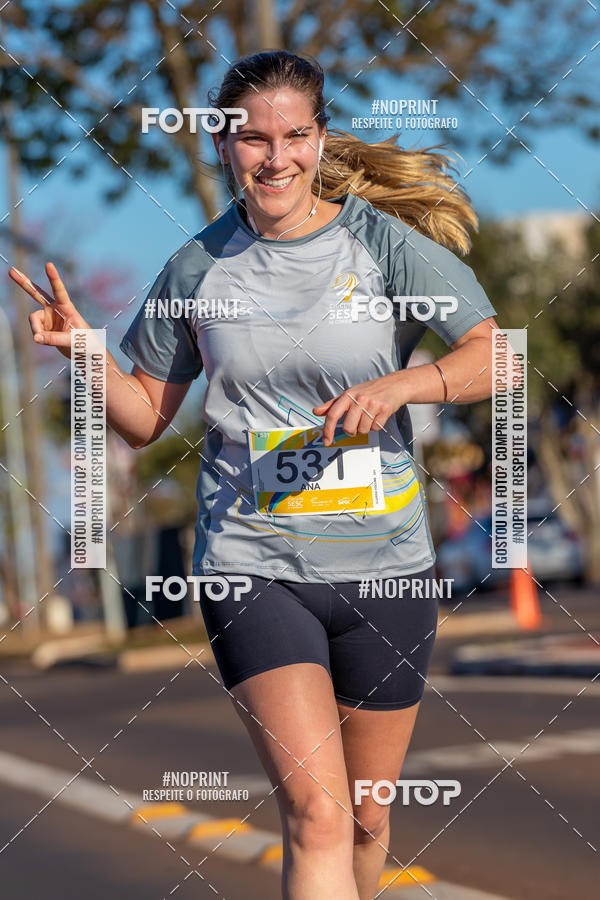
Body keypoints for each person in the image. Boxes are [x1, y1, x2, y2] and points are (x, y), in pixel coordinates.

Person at [11, 50, 499, 900]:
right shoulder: (197, 267)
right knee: (316, 816)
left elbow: (497, 357)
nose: (276, 158)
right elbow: (144, 419)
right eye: (253, 140)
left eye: (294, 136)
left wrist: (401, 386)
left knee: (367, 818)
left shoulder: (385, 247)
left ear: (319, 139)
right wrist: (86, 353)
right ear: (222, 146)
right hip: (252, 561)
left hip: (386, 567)